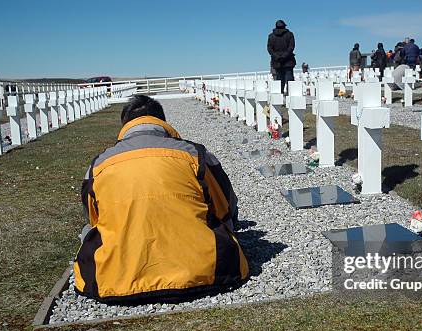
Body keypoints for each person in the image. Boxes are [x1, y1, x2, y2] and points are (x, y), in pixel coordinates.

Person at [74, 95, 249, 303]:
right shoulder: (195, 154)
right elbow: (225, 207)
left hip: (115, 280)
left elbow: (95, 220)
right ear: (162, 121)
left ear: (125, 125)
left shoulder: (98, 165)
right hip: (206, 272)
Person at [267, 19, 296, 93]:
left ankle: (280, 96)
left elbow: (269, 49)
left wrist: (277, 56)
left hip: (277, 61)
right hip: (288, 60)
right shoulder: (290, 34)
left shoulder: (271, 36)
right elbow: (291, 47)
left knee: (279, 79)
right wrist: (284, 56)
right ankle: (291, 95)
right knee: (290, 80)